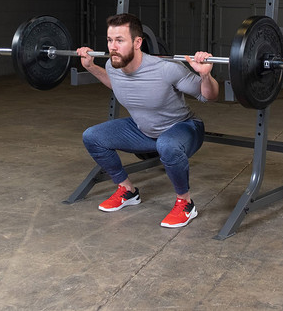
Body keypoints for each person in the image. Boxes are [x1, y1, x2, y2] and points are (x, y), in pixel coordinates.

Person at [77, 13, 219, 229]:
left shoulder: (166, 68)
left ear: (137, 42)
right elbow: (116, 84)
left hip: (184, 129)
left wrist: (205, 76)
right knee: (92, 136)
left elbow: (208, 96)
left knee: (167, 144)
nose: (112, 47)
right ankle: (127, 191)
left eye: (120, 40)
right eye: (109, 40)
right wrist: (90, 67)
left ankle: (186, 203)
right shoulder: (112, 66)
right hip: (143, 130)